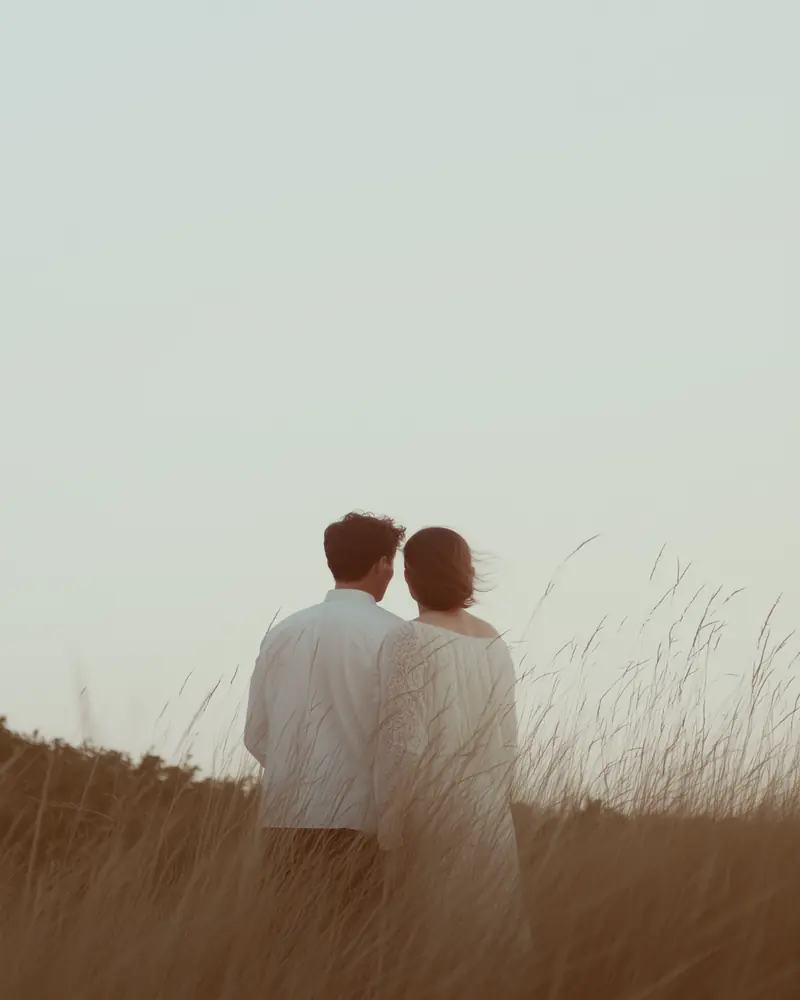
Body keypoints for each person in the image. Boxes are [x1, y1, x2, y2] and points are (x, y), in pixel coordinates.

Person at [244, 511, 406, 896]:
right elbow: (403, 742)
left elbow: (256, 734)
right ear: (383, 563)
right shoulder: (397, 634)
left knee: (286, 949)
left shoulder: (283, 632)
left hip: (283, 820)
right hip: (362, 824)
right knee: (355, 948)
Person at [374, 526, 525, 938]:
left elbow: (402, 743)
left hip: (431, 811)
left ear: (409, 577)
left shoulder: (409, 637)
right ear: (466, 572)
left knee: (430, 937)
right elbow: (508, 739)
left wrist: (389, 826)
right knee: (488, 936)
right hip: (489, 809)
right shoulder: (493, 640)